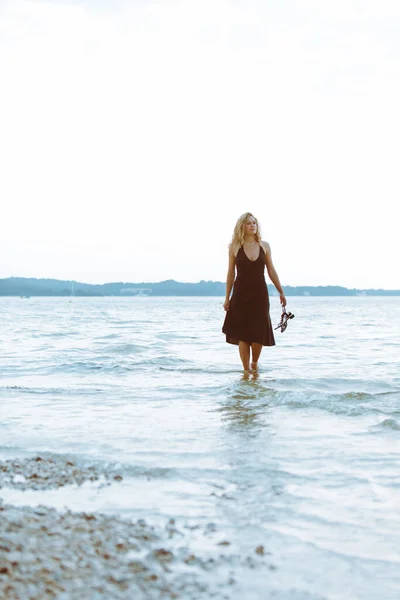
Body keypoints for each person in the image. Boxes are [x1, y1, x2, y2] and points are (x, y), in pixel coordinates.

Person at [222, 212, 287, 373]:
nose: (253, 225)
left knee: (259, 332)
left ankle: (254, 364)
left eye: (254, 223)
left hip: (260, 294)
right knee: (243, 333)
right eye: (249, 223)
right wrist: (227, 298)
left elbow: (271, 270)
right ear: (242, 226)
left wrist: (281, 291)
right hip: (240, 295)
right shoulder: (234, 247)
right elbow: (231, 274)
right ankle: (245, 371)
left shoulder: (264, 246)